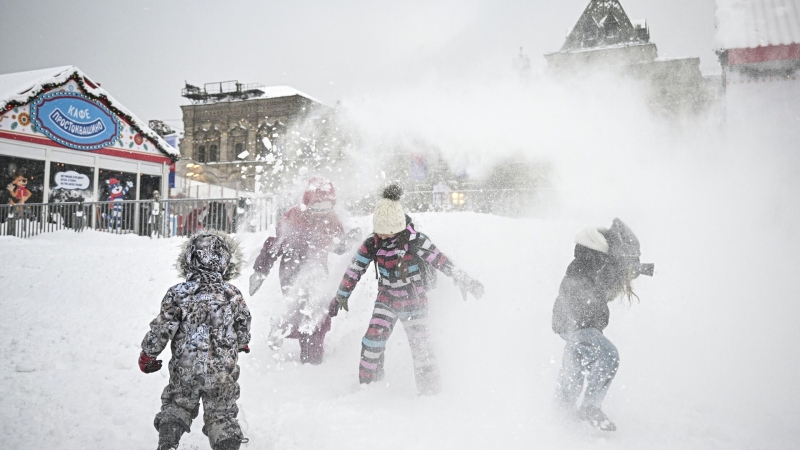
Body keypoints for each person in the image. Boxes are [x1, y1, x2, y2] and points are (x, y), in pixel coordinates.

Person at [329, 184, 484, 395]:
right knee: (372, 341)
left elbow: (441, 261)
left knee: (422, 349)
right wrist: (341, 295)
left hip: (415, 302)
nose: (381, 237)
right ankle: (369, 389)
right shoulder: (372, 244)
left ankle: (431, 394)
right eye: (378, 232)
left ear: (397, 227)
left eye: (386, 233)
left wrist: (464, 279)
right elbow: (355, 269)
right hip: (386, 300)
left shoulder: (416, 242)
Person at [138, 231, 251, 450]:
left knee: (178, 405)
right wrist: (242, 341)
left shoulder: (178, 293)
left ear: (189, 259)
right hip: (221, 371)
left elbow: (163, 327)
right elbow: (243, 322)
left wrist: (148, 354)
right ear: (225, 261)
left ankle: (169, 442)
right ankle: (226, 443)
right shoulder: (231, 294)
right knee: (222, 413)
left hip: (186, 368)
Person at [552, 218, 654, 431]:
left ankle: (561, 418)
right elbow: (598, 276)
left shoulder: (592, 258)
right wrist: (622, 267)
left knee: (573, 369)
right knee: (608, 355)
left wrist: (626, 268)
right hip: (578, 323)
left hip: (572, 323)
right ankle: (590, 406)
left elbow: (603, 282)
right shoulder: (591, 259)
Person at [249, 176, 360, 364]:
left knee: (318, 313)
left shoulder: (331, 220)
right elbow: (273, 246)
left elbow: (336, 246)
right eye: (316, 208)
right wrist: (260, 271)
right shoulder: (293, 218)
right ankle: (282, 329)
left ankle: (311, 357)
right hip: (292, 271)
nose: (321, 213)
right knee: (300, 311)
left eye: (326, 208)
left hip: (318, 269)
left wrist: (348, 241)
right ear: (307, 204)